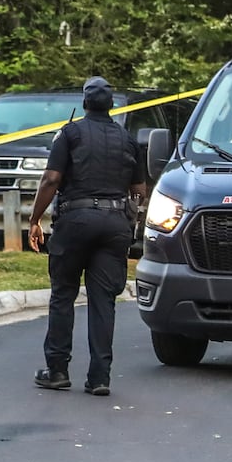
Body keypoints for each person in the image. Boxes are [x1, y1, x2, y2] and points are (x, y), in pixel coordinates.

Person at [27, 76, 148, 396]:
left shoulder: (69, 133)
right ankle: (99, 377)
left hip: (75, 221)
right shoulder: (126, 139)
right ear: (112, 106)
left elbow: (52, 179)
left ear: (84, 103)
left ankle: (56, 370)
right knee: (103, 300)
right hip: (114, 225)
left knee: (63, 294)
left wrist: (35, 219)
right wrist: (129, 220)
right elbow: (139, 191)